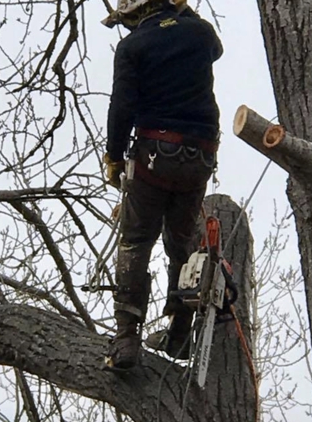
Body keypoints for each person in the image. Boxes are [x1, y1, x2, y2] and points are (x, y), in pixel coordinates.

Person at [102, 0, 223, 370]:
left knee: (136, 239)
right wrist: (181, 13)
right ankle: (180, 331)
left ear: (135, 14)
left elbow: (121, 106)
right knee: (180, 242)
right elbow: (216, 49)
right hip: (200, 155)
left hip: (155, 152)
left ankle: (125, 340)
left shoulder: (132, 47)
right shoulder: (200, 32)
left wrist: (114, 157)